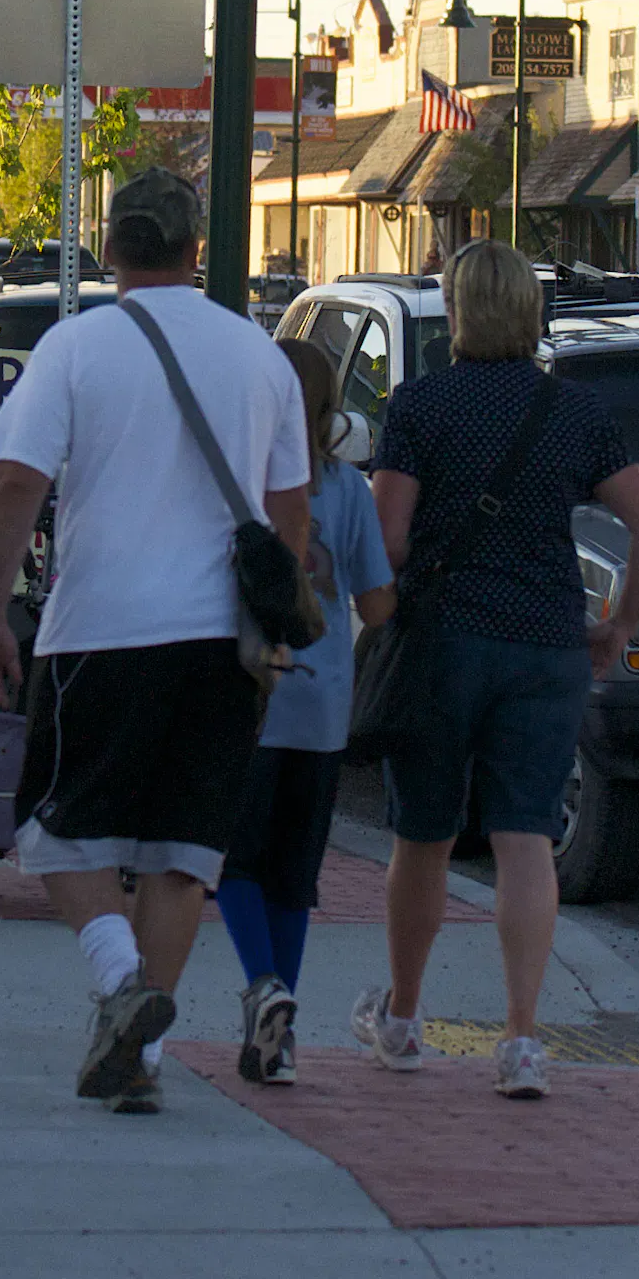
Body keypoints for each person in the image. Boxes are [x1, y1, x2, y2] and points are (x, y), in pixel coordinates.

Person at [0, 166, 311, 1114]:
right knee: (181, 853)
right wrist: (275, 635)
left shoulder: (77, 348)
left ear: (111, 248)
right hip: (224, 645)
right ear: (198, 249)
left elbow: (13, 487)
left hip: (103, 630)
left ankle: (123, 985)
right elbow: (290, 520)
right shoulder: (260, 357)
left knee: (50, 824)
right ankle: (140, 1064)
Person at [356, 239, 639, 1101]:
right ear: (531, 316)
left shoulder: (418, 407)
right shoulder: (575, 412)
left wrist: (373, 613)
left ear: (456, 312)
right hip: (545, 645)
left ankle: (405, 1018)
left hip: (442, 645)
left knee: (422, 834)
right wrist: (621, 623)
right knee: (525, 835)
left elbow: (387, 539)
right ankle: (524, 1039)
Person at [220, 337, 393, 1085]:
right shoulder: (349, 490)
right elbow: (377, 605)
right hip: (323, 704)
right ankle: (280, 1036)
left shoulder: (237, 482)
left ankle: (265, 986)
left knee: (233, 861)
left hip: (250, 698)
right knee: (294, 874)